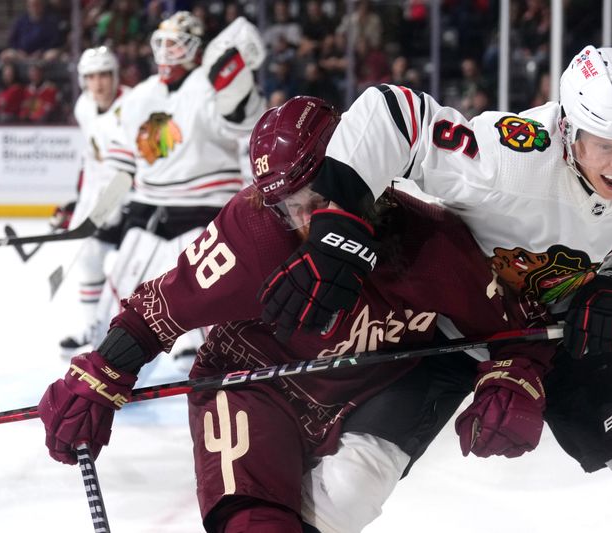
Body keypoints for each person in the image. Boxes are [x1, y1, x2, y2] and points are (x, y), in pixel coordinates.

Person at [265, 45, 612, 533]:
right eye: (605, 145)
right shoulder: (510, 157)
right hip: (446, 325)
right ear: (567, 130)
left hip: (549, 333)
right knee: (356, 475)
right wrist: (338, 229)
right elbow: (392, 112)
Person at [37, 96, 551, 532]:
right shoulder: (253, 231)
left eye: (318, 195)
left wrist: (515, 376)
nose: (303, 219)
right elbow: (157, 312)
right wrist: (103, 371)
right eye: (287, 204)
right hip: (252, 381)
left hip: (372, 387)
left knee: (349, 496)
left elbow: (510, 329)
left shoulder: (432, 243)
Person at [87, 11, 264, 363]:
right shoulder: (139, 96)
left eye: (175, 43)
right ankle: (108, 347)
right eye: (162, 42)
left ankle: (215, 349)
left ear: (194, 48)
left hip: (208, 205)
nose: (166, 51)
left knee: (206, 282)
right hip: (153, 204)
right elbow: (122, 162)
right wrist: (101, 209)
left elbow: (245, 125)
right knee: (124, 272)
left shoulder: (212, 86)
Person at [57, 46, 136, 356]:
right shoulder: (84, 107)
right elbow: (92, 160)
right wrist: (80, 202)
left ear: (115, 75)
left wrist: (116, 204)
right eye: (91, 77)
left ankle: (180, 340)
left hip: (138, 200)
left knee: (130, 271)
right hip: (102, 200)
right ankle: (92, 328)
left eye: (104, 74)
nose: (99, 83)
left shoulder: (133, 105)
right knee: (89, 257)